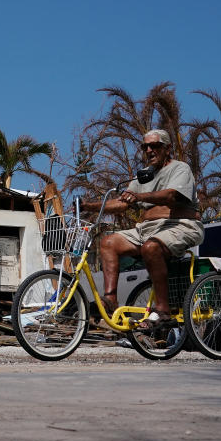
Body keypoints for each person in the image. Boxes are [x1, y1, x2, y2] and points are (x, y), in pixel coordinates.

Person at [80, 129, 204, 329]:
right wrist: (90, 206)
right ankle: (111, 299)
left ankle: (163, 310)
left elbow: (172, 196)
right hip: (147, 229)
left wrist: (139, 197)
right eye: (144, 146)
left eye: (154, 145)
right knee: (108, 242)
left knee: (150, 248)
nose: (149, 150)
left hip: (180, 226)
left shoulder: (180, 168)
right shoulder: (143, 177)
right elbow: (122, 203)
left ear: (167, 148)